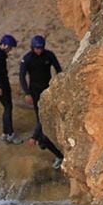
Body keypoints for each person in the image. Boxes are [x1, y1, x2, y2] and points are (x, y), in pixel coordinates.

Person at [19, 35, 64, 168]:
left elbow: (58, 69)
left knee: (44, 117)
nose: (39, 50)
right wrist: (27, 92)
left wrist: (59, 86)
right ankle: (41, 138)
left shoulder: (49, 55)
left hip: (47, 89)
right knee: (40, 115)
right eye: (37, 48)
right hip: (34, 90)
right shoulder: (27, 58)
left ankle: (40, 139)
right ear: (32, 47)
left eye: (41, 48)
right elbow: (22, 76)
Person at [0, 34, 22, 144]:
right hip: (0, 85)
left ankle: (5, 132)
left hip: (3, 83)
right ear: (3, 45)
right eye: (9, 47)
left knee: (7, 107)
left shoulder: (0, 54)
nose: (10, 50)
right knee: (8, 107)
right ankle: (9, 134)